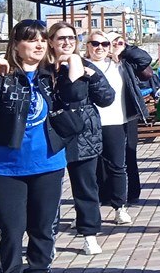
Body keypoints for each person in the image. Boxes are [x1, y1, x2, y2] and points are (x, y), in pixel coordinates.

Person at [0, 20, 79, 273]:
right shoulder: (4, 77)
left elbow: (77, 92)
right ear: (16, 46)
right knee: (11, 231)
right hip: (6, 167)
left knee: (43, 228)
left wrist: (70, 57)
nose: (39, 44)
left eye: (42, 39)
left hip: (48, 163)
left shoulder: (52, 75)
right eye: (31, 39)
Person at [49, 23, 115, 255]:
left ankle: (89, 235)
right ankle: (48, 240)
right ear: (51, 42)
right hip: (51, 135)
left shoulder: (87, 66)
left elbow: (107, 98)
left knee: (86, 188)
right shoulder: (44, 69)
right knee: (48, 193)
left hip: (83, 135)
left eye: (71, 38)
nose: (66, 43)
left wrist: (92, 77)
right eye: (61, 39)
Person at [108, 31, 153, 208]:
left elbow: (145, 59)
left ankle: (133, 192)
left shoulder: (126, 62)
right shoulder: (98, 63)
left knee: (130, 153)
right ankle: (108, 192)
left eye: (119, 41)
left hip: (127, 114)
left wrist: (124, 49)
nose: (112, 46)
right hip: (107, 117)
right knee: (109, 157)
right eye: (110, 42)